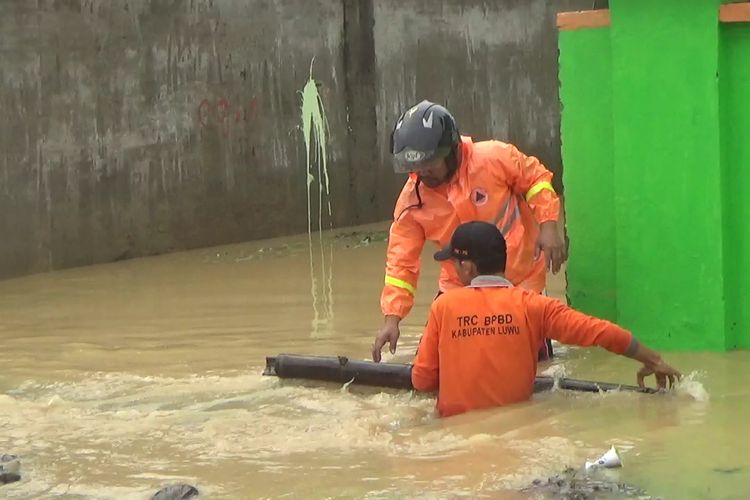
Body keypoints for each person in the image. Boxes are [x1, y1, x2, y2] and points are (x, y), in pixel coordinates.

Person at [410, 220, 682, 418]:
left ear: (467, 267)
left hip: (454, 441)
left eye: (454, 263)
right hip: (519, 432)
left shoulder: (443, 306)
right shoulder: (533, 305)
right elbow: (599, 332)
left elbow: (422, 380)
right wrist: (653, 360)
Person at [372, 100, 566, 363]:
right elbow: (400, 264)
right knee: (433, 362)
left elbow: (536, 179)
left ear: (450, 151)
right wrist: (392, 320)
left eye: (430, 163)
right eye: (415, 167)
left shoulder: (494, 157)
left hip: (520, 280)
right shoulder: (411, 202)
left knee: (528, 364)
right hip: (458, 286)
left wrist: (549, 226)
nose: (422, 173)